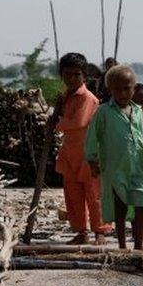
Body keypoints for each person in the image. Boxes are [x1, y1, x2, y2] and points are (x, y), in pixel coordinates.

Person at [85, 65, 143, 250]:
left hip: (139, 165)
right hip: (116, 166)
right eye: (117, 89)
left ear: (133, 88)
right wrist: (92, 160)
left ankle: (139, 245)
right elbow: (92, 136)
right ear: (110, 89)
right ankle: (122, 245)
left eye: (127, 88)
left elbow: (141, 136)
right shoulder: (104, 112)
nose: (122, 93)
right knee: (121, 204)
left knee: (142, 201)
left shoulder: (138, 112)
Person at [53, 53, 110, 245]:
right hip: (70, 152)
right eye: (67, 74)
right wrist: (57, 113)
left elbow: (79, 122)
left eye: (76, 75)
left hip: (90, 153)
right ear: (61, 75)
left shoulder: (88, 98)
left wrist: (56, 123)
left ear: (84, 76)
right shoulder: (66, 98)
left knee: (94, 195)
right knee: (73, 195)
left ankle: (99, 231)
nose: (71, 79)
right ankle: (80, 231)